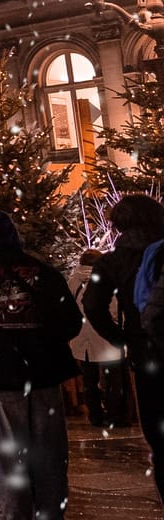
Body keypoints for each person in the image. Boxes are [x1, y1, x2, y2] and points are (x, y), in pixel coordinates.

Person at [0, 209, 82, 520]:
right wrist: (43, 342)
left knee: (10, 458)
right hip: (43, 374)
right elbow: (71, 321)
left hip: (2, 378)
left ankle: (15, 514)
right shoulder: (44, 272)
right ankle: (51, 512)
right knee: (50, 454)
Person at [86, 193, 164, 505]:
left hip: (146, 353)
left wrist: (121, 337)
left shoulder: (112, 260)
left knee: (159, 433)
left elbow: (92, 304)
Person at [70, 249, 125, 428]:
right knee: (112, 379)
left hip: (82, 339)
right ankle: (115, 416)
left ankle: (95, 416)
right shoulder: (106, 278)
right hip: (105, 336)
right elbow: (114, 308)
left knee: (89, 379)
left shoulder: (73, 281)